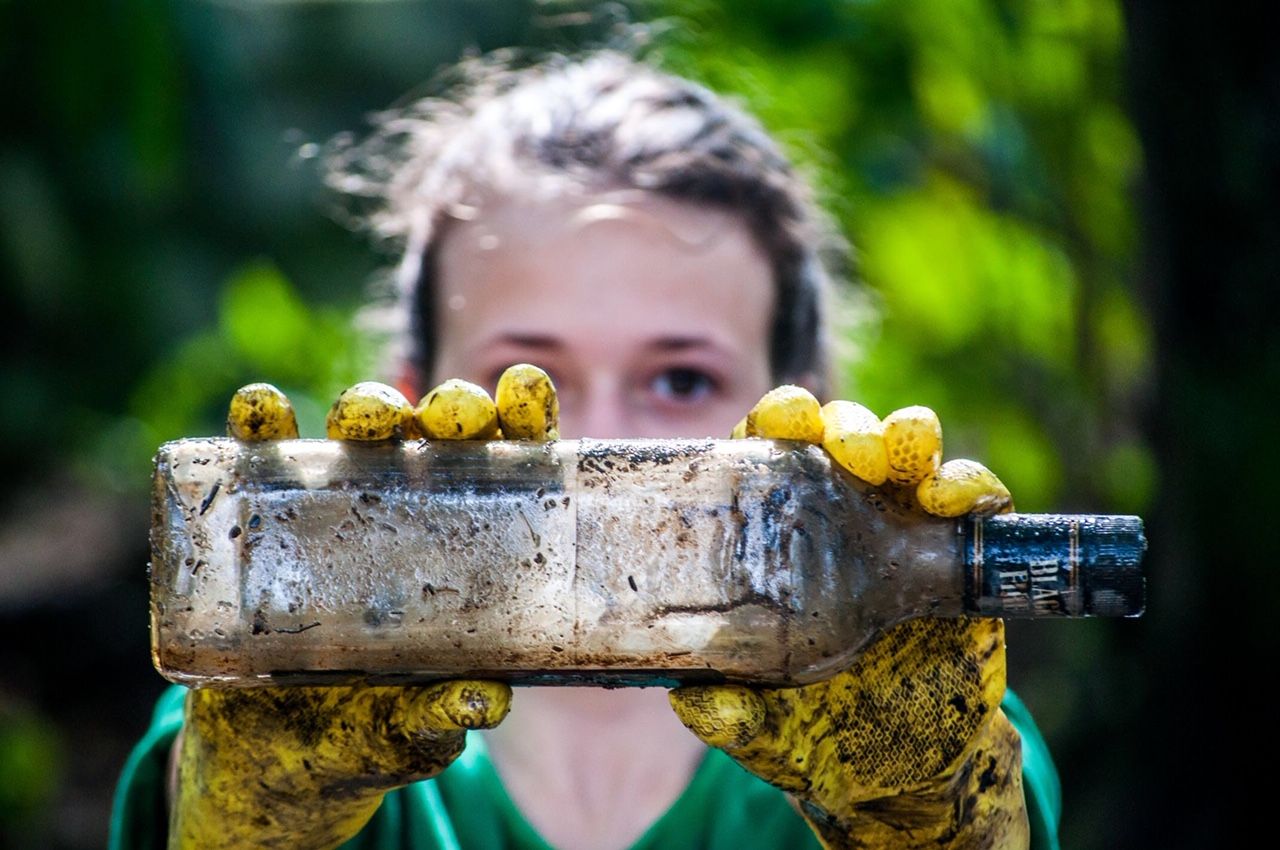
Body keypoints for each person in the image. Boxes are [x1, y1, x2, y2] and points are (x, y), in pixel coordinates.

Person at [110, 51, 1061, 850]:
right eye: (525, 375)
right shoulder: (277, 707)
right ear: (404, 406)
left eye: (681, 380)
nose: (597, 444)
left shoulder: (929, 733)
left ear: (805, 423)